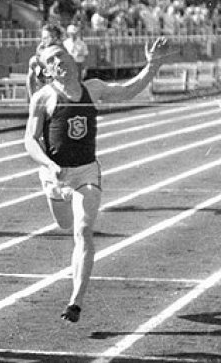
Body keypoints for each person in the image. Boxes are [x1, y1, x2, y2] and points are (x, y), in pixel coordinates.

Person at [23, 38, 169, 323]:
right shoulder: (43, 97)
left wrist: (152, 65)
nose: (58, 62)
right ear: (49, 71)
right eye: (51, 61)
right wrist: (49, 164)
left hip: (86, 172)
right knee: (64, 224)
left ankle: (75, 301)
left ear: (72, 59)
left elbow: (128, 91)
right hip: (55, 176)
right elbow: (29, 139)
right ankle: (56, 197)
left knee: (83, 230)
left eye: (60, 55)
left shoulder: (93, 89)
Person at [26, 23, 65, 98]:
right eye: (44, 38)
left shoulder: (62, 54)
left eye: (52, 37)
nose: (46, 41)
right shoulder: (38, 54)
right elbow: (30, 78)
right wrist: (32, 98)